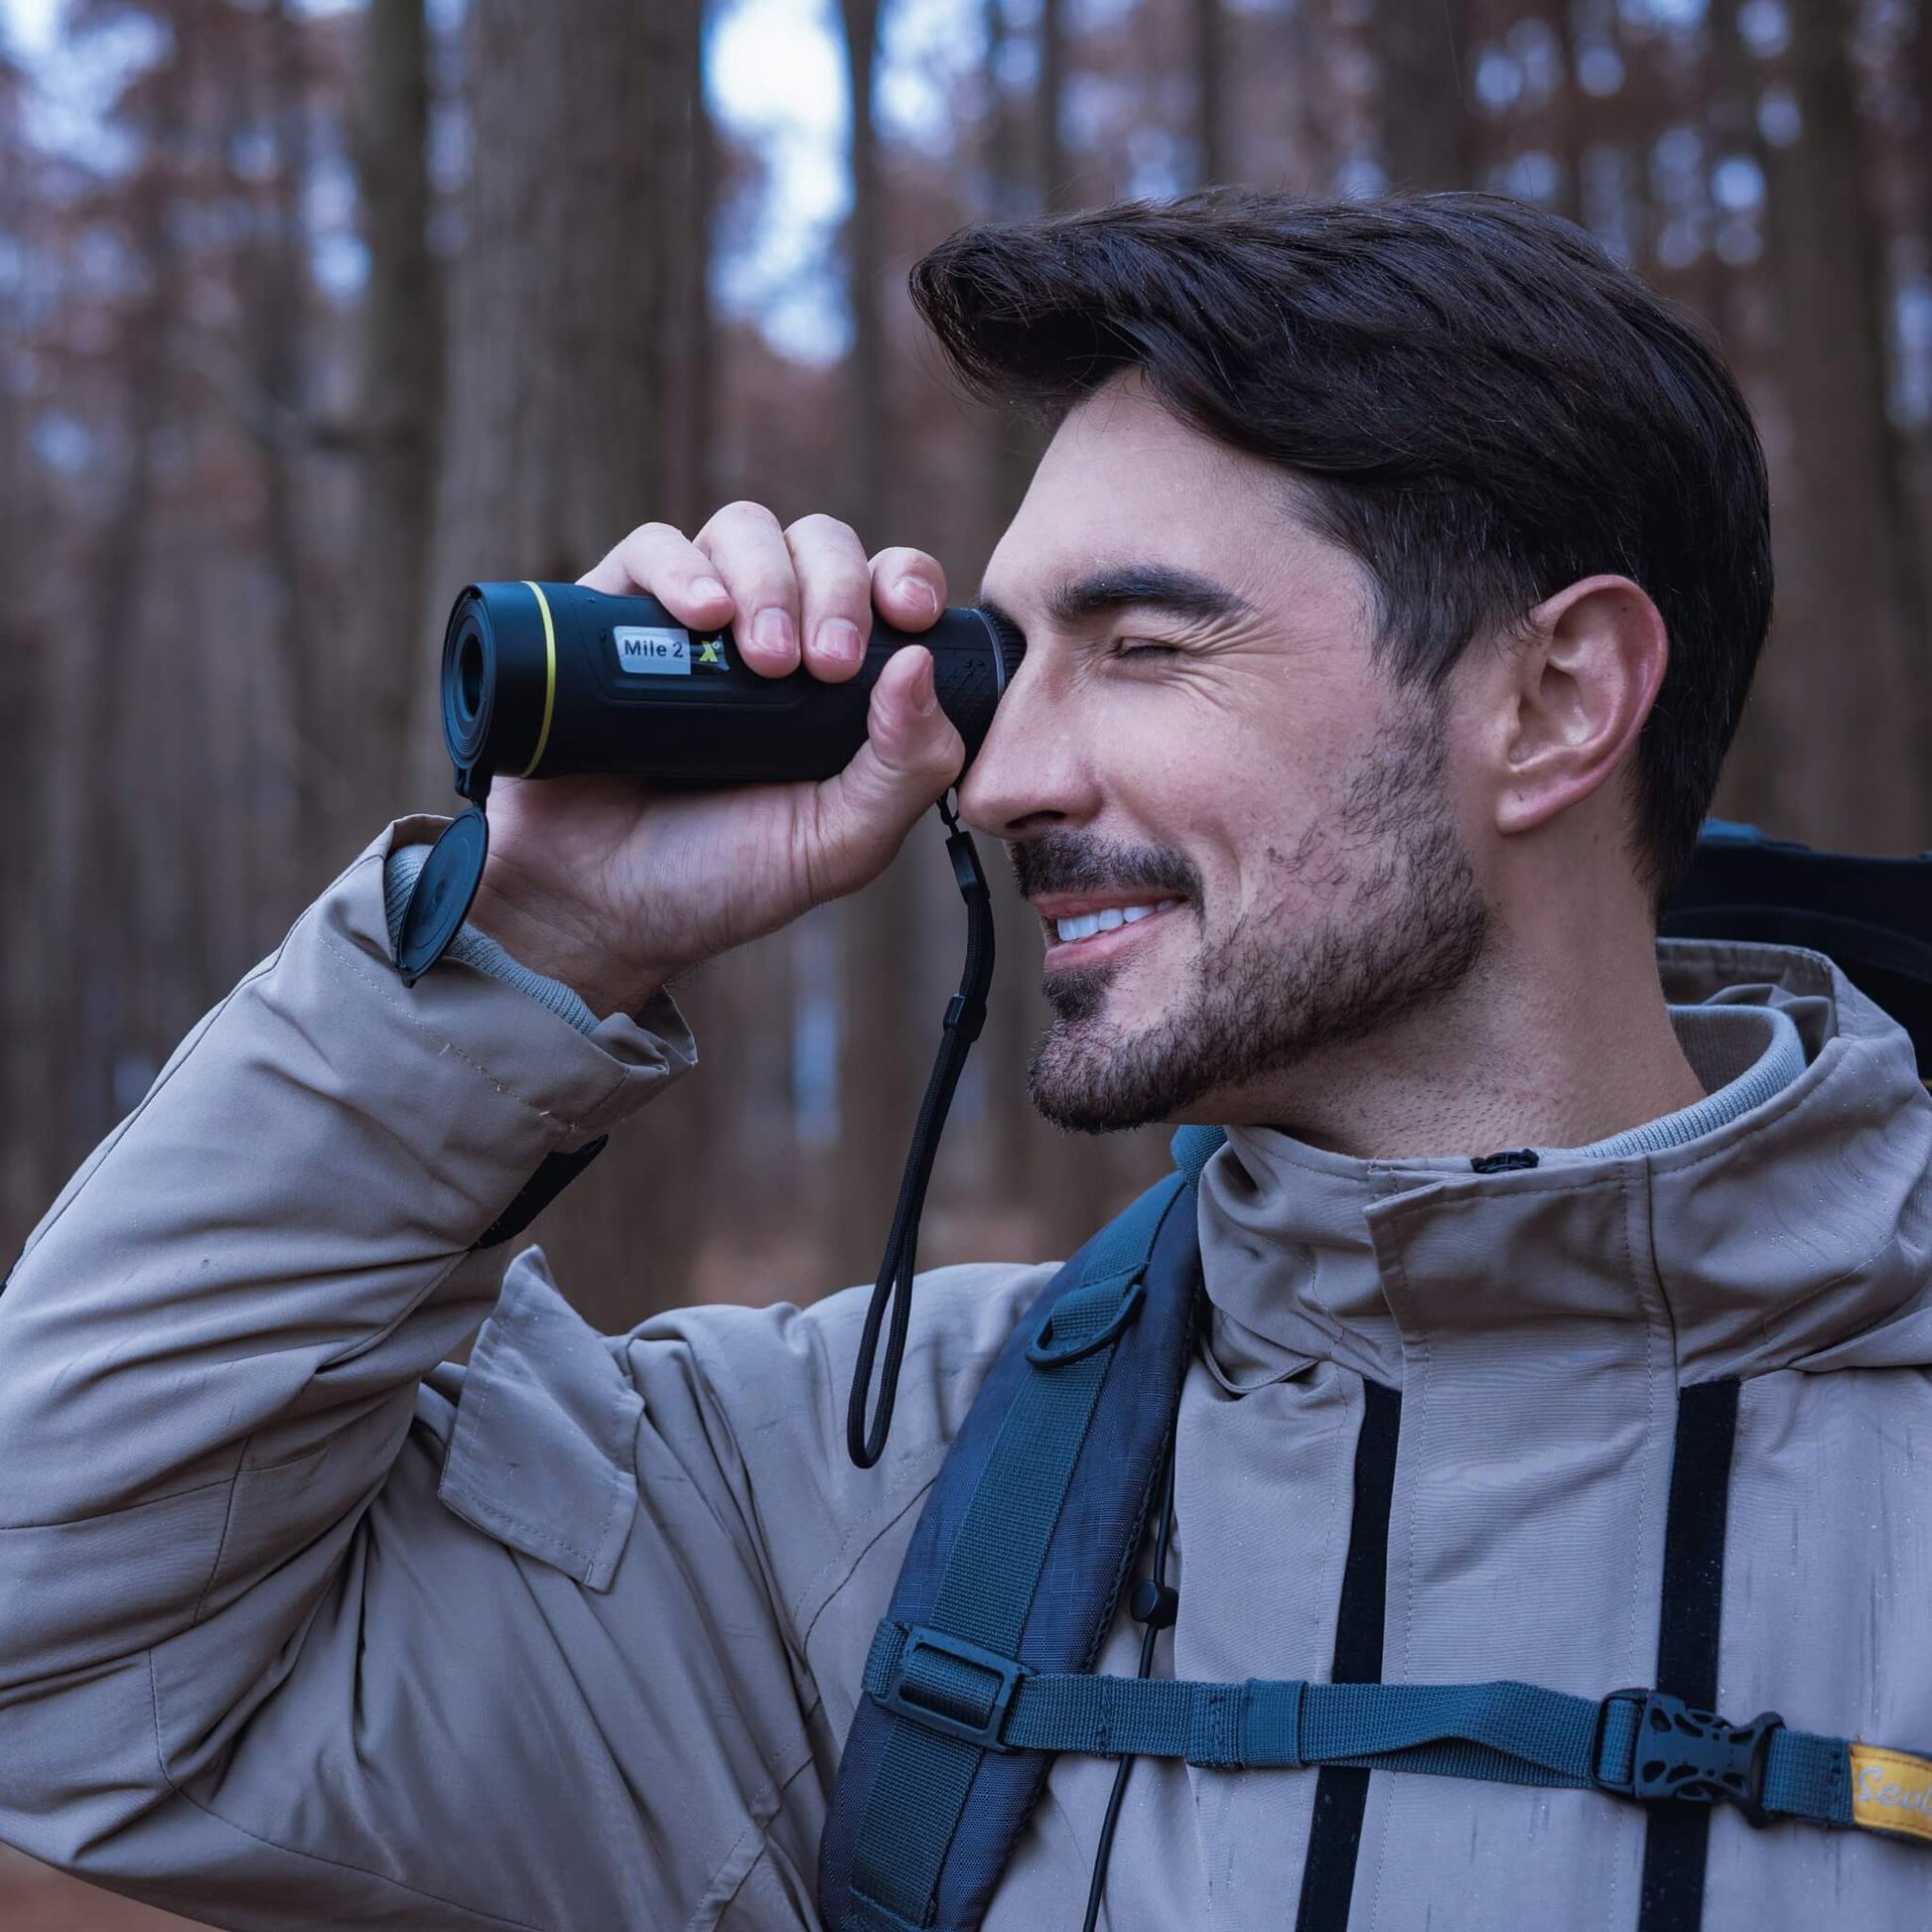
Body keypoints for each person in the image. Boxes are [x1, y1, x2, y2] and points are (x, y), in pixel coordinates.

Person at [1, 190, 1927, 1932]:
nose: (999, 778)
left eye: (1146, 645)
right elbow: (61, 1671)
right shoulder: (885, 1499)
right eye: (1012, 664)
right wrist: (536, 929)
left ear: (1554, 699)